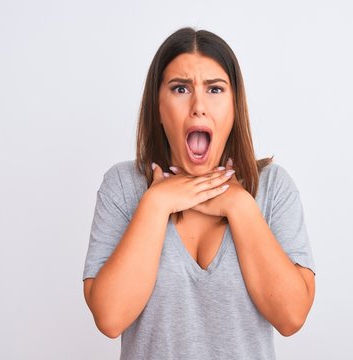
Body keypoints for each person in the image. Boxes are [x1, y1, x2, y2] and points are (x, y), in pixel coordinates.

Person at [82, 27, 316, 359]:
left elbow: (292, 317)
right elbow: (109, 317)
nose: (198, 106)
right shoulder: (123, 186)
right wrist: (157, 203)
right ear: (158, 106)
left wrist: (240, 206)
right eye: (180, 88)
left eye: (215, 89)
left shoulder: (273, 187)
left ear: (235, 107)